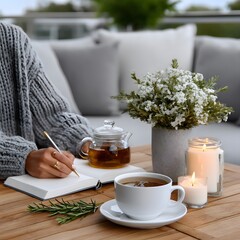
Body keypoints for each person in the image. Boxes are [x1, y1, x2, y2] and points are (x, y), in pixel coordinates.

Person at [0, 22, 93, 179]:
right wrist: (23, 158)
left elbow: (51, 115)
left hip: (30, 185)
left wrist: (84, 143)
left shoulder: (12, 39)